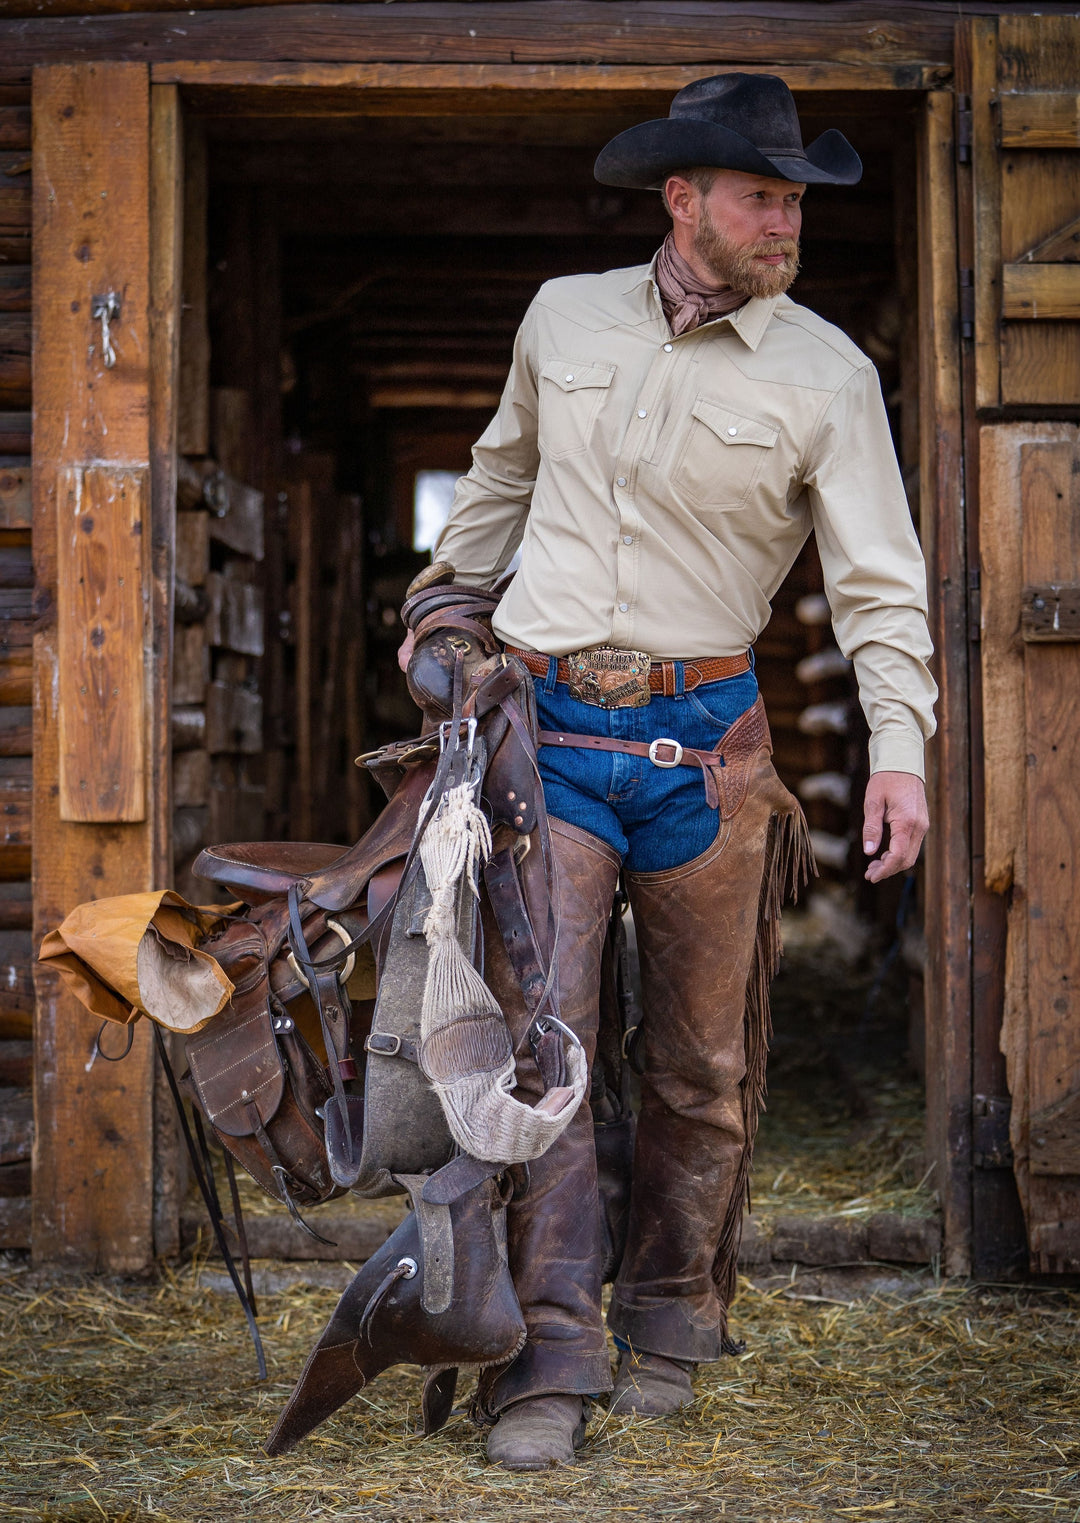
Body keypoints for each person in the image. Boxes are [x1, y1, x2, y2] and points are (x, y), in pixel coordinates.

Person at [404, 73, 937, 1470]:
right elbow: (501, 479)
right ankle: (552, 1356)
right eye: (763, 196)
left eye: (798, 201)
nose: (788, 222)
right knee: (548, 1050)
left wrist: (902, 754)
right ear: (682, 199)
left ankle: (673, 1321)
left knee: (702, 1066)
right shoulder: (562, 320)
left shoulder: (826, 371)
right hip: (549, 738)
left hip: (709, 755)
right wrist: (441, 605)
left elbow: (879, 587)